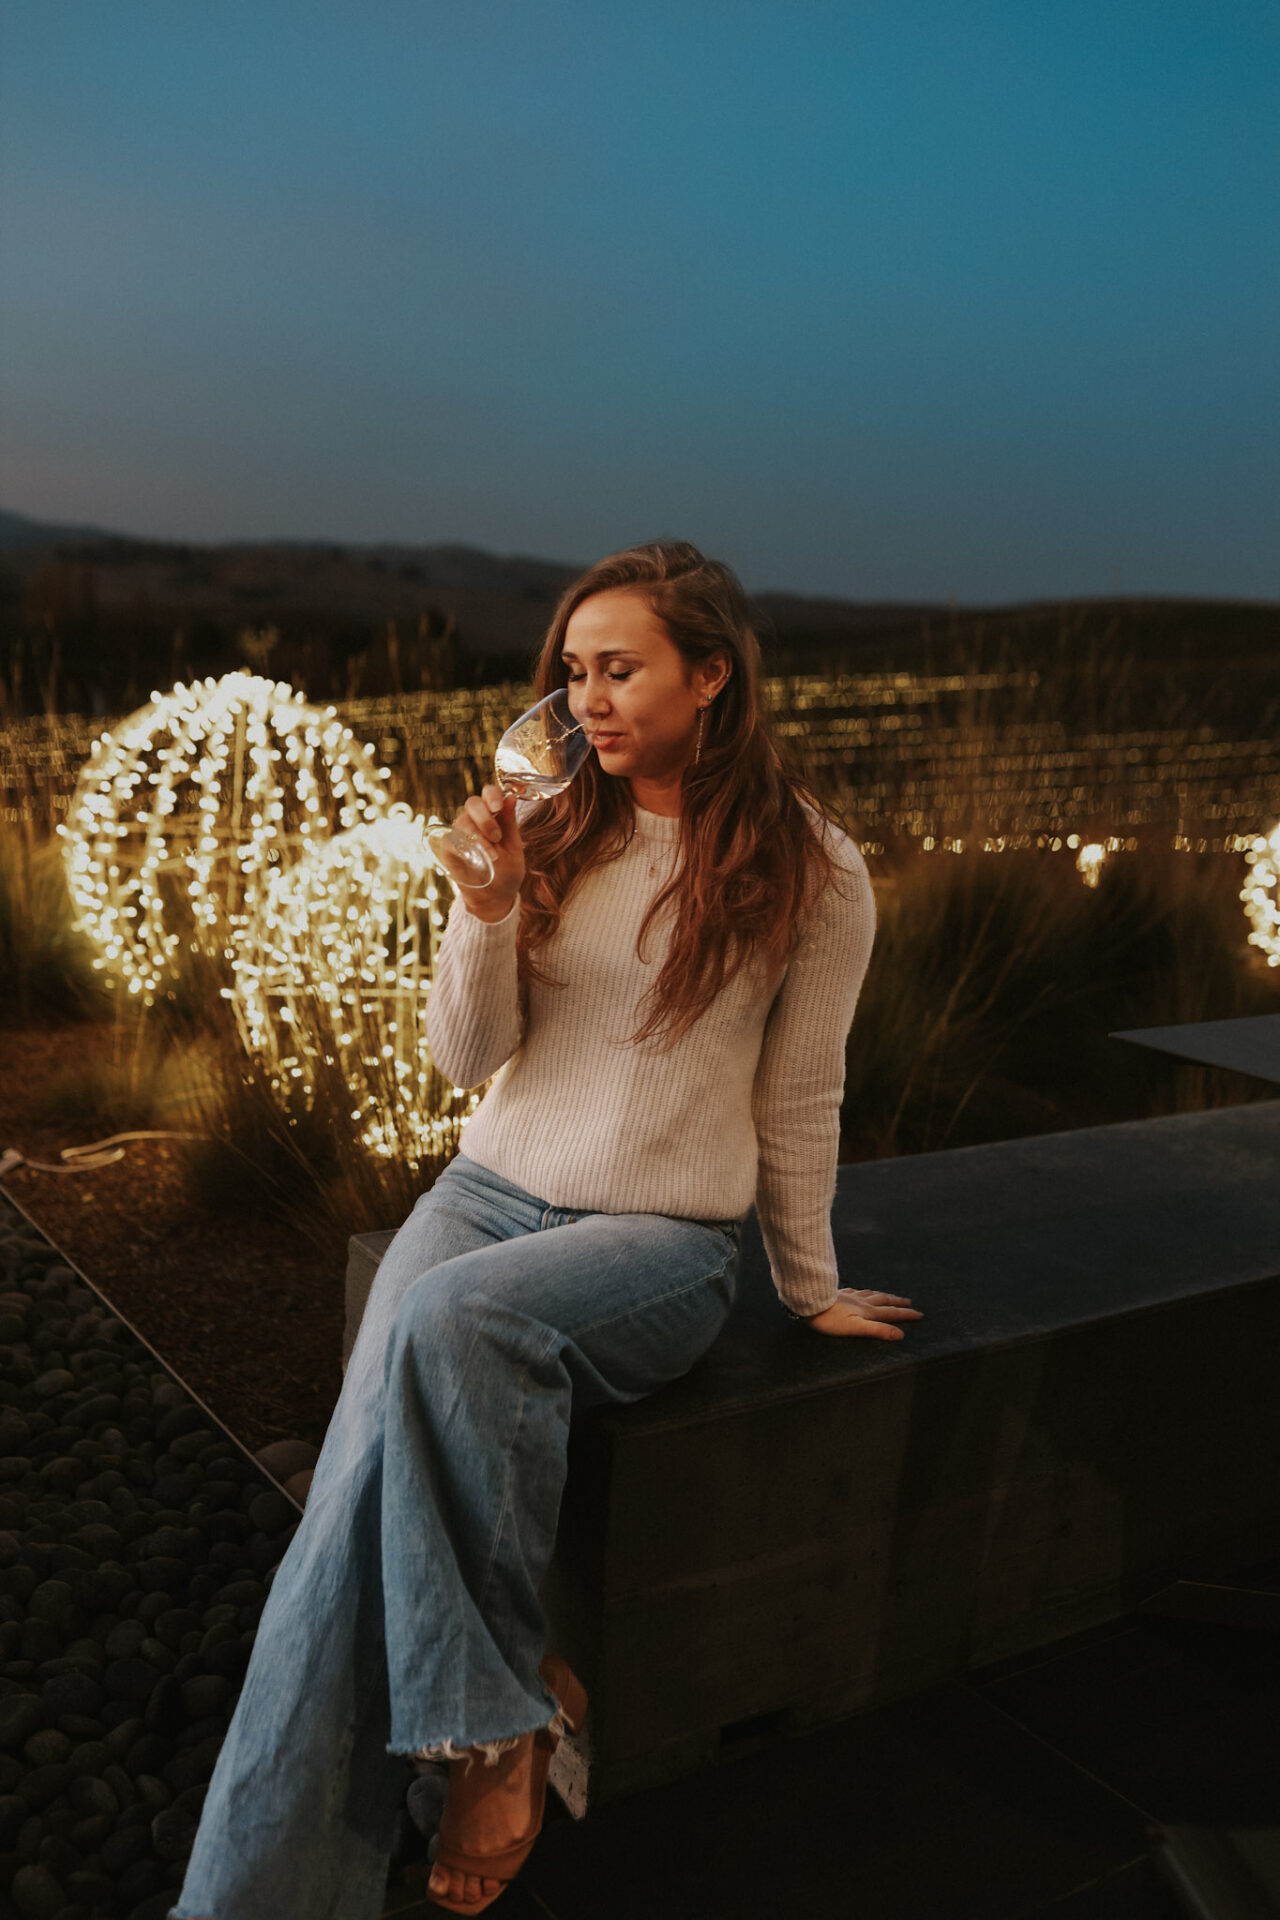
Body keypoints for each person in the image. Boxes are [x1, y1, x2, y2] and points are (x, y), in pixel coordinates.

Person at [172, 539, 921, 1920]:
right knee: (338, 1516)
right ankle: (280, 1880)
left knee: (455, 1321)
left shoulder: (813, 867)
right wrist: (484, 909)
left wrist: (808, 1284)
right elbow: (466, 1063)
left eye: (621, 668)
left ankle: (493, 1727)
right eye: (572, 672)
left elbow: (804, 1091)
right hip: (483, 1193)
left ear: (712, 675)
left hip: (660, 1240)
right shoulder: (553, 827)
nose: (589, 700)